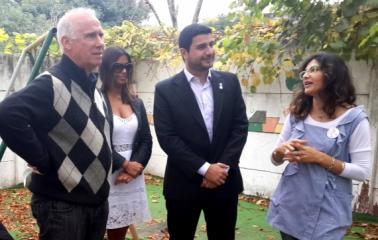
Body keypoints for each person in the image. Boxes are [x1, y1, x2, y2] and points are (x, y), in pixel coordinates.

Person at [0, 8, 112, 240]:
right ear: (66, 43)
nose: (100, 42)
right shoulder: (52, 84)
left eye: (101, 35)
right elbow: (7, 113)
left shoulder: (94, 86)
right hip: (63, 207)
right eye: (91, 36)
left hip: (97, 203)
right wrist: (42, 159)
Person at [153, 23, 249, 240]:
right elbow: (168, 138)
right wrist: (205, 169)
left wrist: (221, 168)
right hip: (184, 183)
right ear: (184, 53)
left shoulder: (230, 82)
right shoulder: (165, 89)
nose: (209, 51)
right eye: (201, 46)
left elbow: (239, 127)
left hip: (224, 182)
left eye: (211, 44)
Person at [267, 53, 372, 240]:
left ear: (333, 75)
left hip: (328, 211)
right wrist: (280, 152)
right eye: (305, 72)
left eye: (314, 70)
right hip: (291, 204)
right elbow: (275, 159)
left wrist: (320, 158)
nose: (306, 76)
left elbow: (362, 171)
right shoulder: (297, 114)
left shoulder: (354, 120)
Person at [99, 46, 152, 240]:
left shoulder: (136, 102)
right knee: (95, 229)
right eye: (117, 67)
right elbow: (97, 141)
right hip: (106, 173)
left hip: (130, 178)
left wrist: (134, 169)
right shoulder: (96, 100)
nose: (124, 71)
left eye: (127, 67)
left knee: (118, 234)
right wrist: (124, 164)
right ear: (105, 68)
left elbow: (146, 140)